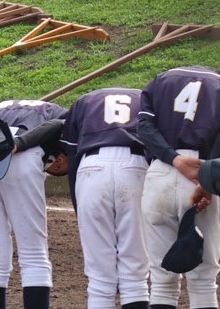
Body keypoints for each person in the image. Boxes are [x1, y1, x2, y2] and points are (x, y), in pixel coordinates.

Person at [138, 65, 220, 309]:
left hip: (162, 169)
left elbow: (144, 128)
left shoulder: (160, 79)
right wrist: (208, 178)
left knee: (161, 279)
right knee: (203, 279)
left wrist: (175, 159)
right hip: (201, 173)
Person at [0, 99, 69, 309]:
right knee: (34, 254)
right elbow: (59, 125)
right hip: (23, 154)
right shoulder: (56, 110)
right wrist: (19, 144)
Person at [60, 85, 150, 309]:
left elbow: (72, 155)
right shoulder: (146, 98)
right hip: (136, 165)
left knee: (100, 278)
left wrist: (78, 204)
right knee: (135, 275)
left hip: (92, 167)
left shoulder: (84, 100)